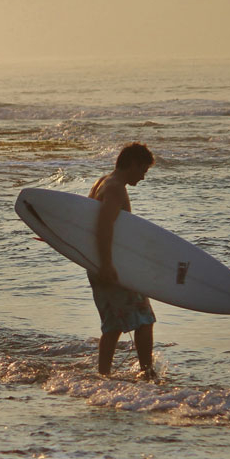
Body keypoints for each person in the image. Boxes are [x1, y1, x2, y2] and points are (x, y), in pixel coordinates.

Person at [86, 142, 157, 379]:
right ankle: (147, 372)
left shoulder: (103, 181)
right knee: (145, 320)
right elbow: (103, 227)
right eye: (143, 170)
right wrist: (107, 265)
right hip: (112, 266)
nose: (144, 177)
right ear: (133, 164)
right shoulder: (116, 188)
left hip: (99, 263)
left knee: (113, 325)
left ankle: (103, 375)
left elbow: (83, 222)